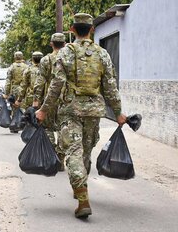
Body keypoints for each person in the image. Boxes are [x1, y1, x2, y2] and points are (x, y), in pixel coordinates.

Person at [35, 13, 127, 219]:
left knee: (73, 152)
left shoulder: (65, 53)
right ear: (92, 29)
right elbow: (110, 87)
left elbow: (56, 86)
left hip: (71, 110)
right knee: (85, 151)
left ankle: (82, 196)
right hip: (94, 112)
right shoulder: (103, 54)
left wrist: (43, 109)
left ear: (72, 29)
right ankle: (81, 186)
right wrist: (119, 112)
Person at [33, 32, 67, 170]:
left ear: (51, 44)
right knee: (63, 129)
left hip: (50, 99)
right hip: (67, 100)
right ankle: (61, 157)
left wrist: (36, 100)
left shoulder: (46, 60)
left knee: (47, 128)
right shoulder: (70, 57)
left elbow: (39, 82)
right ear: (64, 43)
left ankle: (52, 154)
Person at [4, 51, 28, 132]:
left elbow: (8, 81)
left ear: (15, 57)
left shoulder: (11, 67)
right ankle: (23, 124)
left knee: (14, 106)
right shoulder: (26, 67)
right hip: (24, 89)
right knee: (23, 106)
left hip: (14, 89)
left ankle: (15, 125)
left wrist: (6, 93)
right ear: (22, 57)